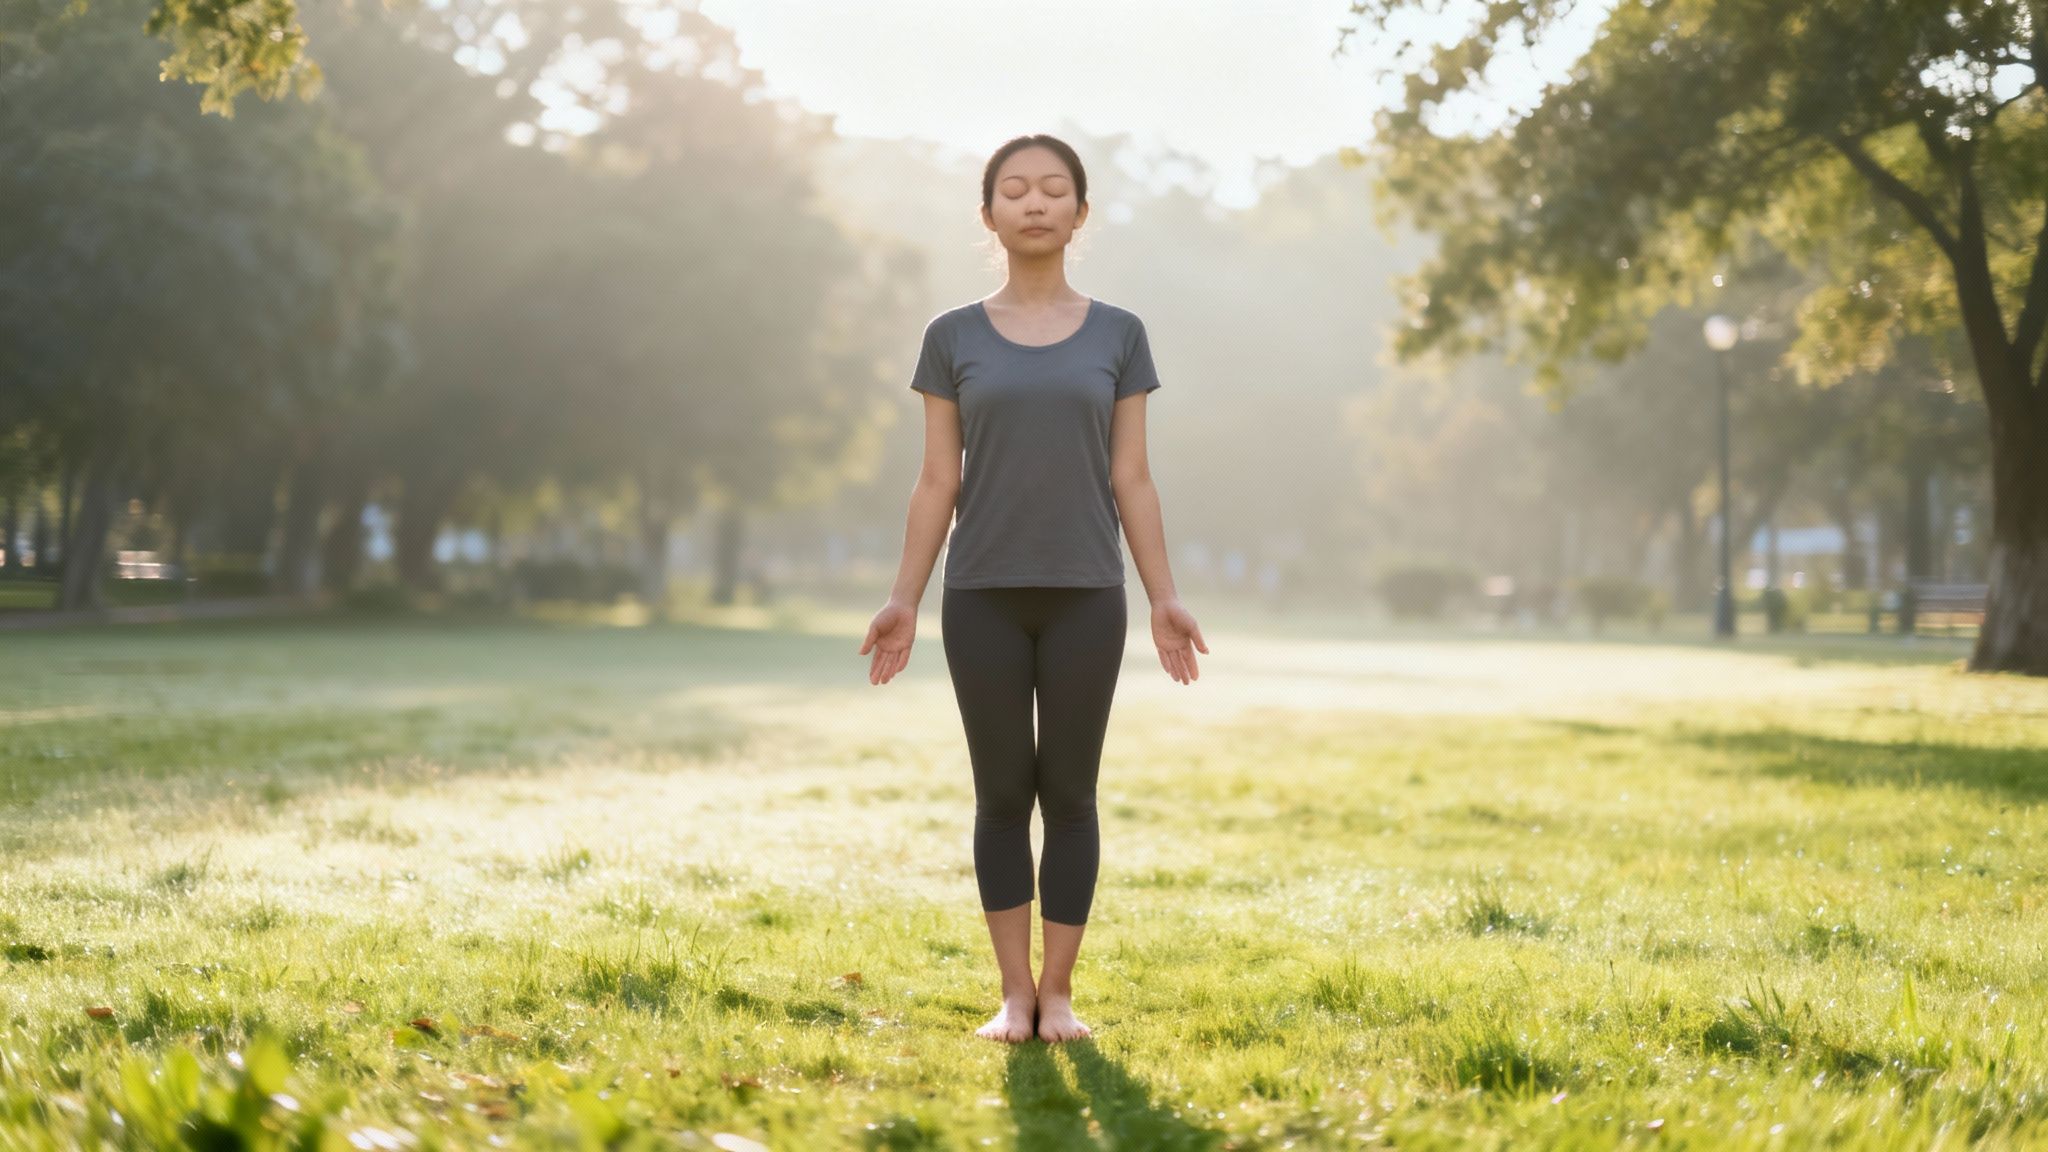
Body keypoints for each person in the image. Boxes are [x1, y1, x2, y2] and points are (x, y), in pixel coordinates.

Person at [859, 134, 1209, 1045]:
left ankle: (1060, 993)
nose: (1036, 202)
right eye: (1014, 189)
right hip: (981, 595)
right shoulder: (953, 337)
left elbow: (1132, 476)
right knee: (1001, 794)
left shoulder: (1120, 334)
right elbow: (938, 480)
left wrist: (1165, 593)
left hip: (1089, 592)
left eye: (1055, 189)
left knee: (1073, 795)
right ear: (990, 216)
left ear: (1080, 213)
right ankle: (1012, 995)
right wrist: (904, 595)